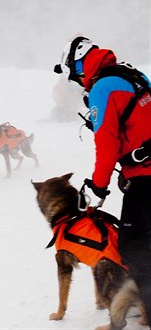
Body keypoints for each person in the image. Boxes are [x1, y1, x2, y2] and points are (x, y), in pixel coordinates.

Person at [54, 36, 151, 323]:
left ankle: (148, 304)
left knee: (133, 243)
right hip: (142, 168)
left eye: (76, 74)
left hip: (146, 174)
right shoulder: (131, 74)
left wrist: (98, 186)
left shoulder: (103, 88)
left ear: (80, 65)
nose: (79, 81)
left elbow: (106, 143)